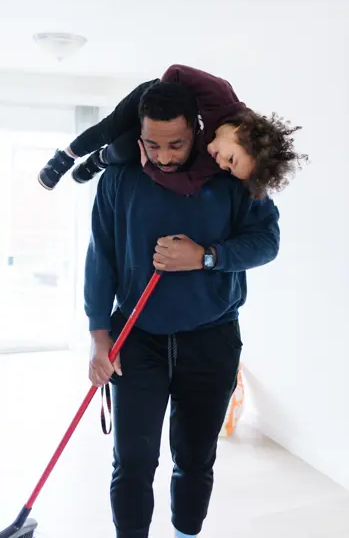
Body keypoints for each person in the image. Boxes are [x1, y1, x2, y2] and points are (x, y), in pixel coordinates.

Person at [84, 79, 282, 538]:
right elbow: (101, 259)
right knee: (132, 461)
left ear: (196, 130)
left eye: (175, 144)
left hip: (211, 337)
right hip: (135, 339)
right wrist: (99, 340)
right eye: (152, 145)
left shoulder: (230, 176)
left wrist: (205, 256)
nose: (165, 156)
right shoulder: (120, 178)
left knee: (195, 458)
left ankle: (184, 533)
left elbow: (266, 242)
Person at [38, 63, 306, 199]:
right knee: (110, 128)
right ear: (242, 132)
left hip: (163, 137)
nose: (220, 163)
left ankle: (97, 162)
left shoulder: (210, 161)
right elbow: (176, 71)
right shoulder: (220, 94)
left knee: (127, 147)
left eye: (228, 169)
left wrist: (150, 168)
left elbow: (187, 185)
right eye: (231, 159)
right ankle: (64, 158)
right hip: (154, 99)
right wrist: (161, 107)